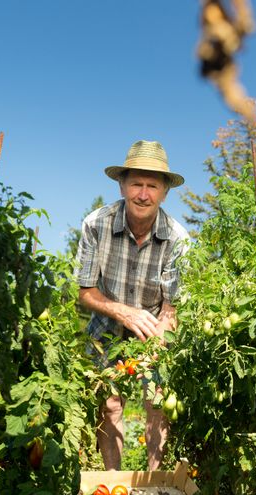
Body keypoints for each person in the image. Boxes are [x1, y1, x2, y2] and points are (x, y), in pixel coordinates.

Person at [76, 140, 189, 471]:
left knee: (157, 403)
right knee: (109, 404)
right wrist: (122, 311)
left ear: (164, 192)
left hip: (154, 327)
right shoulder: (96, 225)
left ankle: (154, 484)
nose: (143, 194)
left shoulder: (177, 239)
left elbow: (171, 308)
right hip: (106, 322)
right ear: (122, 185)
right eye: (136, 184)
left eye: (152, 185)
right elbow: (86, 292)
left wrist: (156, 342)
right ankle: (113, 482)